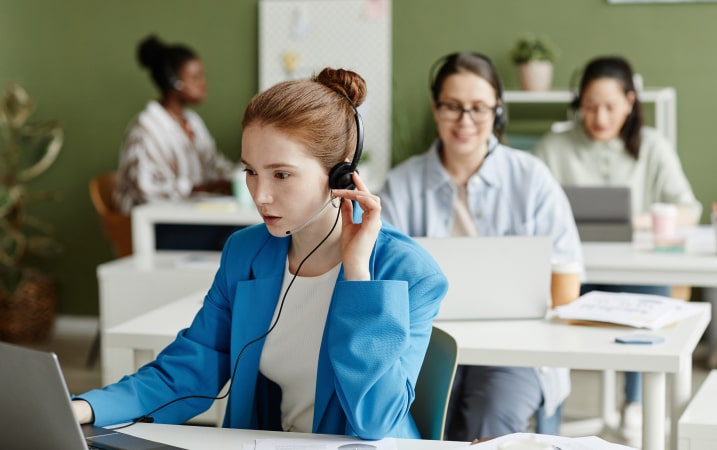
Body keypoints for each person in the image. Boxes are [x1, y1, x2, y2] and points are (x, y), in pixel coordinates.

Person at [72, 67, 449, 440]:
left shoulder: (409, 271)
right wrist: (85, 408)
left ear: (341, 176)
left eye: (281, 175)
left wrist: (357, 273)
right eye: (251, 172)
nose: (260, 195)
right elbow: (193, 364)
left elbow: (375, 419)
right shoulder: (246, 251)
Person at [378, 52, 583, 441]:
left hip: (514, 350)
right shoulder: (402, 184)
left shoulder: (532, 178)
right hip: (427, 344)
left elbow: (566, 274)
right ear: (436, 109)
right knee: (415, 422)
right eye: (453, 107)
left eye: (478, 108)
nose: (465, 121)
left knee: (492, 420)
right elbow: (384, 275)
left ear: (498, 112)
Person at [533, 55, 701, 446]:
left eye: (610, 106)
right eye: (590, 107)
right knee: (545, 315)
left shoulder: (654, 146)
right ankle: (548, 418)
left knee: (654, 296)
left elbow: (688, 209)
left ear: (630, 102)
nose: (600, 117)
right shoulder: (553, 147)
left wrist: (636, 220)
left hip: (635, 276)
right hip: (572, 274)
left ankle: (636, 405)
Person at [114, 35, 236, 214]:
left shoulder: (192, 121)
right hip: (151, 222)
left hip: (186, 214)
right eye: (195, 78)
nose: (203, 84)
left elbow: (215, 165)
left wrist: (247, 174)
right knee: (229, 234)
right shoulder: (146, 129)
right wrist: (195, 188)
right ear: (174, 82)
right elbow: (144, 189)